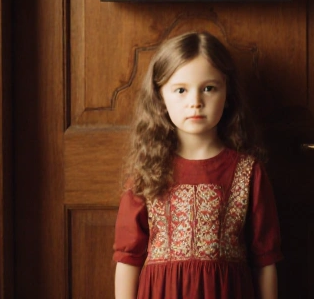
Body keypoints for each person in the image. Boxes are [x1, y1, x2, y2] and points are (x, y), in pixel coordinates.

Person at [114, 32, 281, 299]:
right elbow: (127, 259)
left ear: (227, 94)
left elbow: (265, 262)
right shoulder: (147, 172)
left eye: (209, 88)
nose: (195, 102)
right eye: (180, 90)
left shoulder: (248, 172)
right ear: (160, 98)